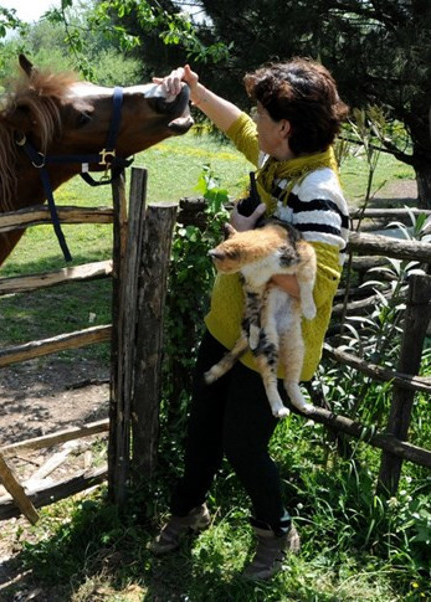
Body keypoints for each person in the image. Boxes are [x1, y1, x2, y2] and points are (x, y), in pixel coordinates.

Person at [149, 59, 350, 579]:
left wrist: (241, 242)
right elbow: (237, 124)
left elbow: (319, 284)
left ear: (284, 127)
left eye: (264, 112)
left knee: (242, 442)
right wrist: (194, 90)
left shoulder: (320, 193)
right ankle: (188, 512)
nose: (254, 119)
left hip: (275, 346)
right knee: (202, 429)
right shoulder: (277, 158)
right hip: (228, 324)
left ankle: (277, 533)